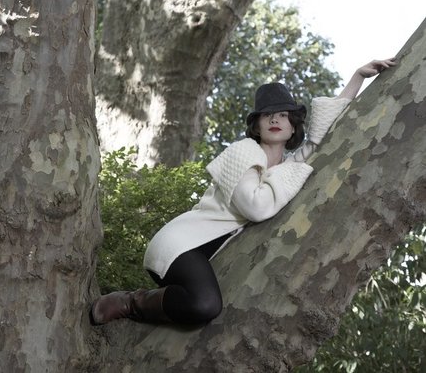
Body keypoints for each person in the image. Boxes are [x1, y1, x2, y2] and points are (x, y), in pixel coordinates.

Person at [90, 58, 396, 327]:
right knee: (207, 306)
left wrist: (357, 77)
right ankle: (131, 302)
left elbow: (320, 138)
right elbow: (256, 207)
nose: (275, 119)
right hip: (180, 245)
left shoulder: (286, 167)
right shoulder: (243, 152)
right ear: (257, 126)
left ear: (293, 127)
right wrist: (294, 169)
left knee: (202, 313)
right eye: (267, 115)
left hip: (201, 257)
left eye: (283, 114)